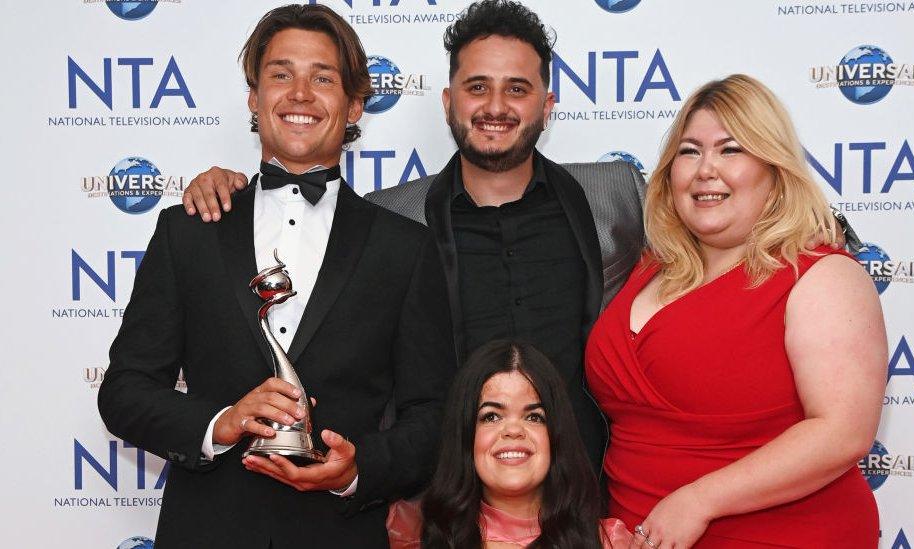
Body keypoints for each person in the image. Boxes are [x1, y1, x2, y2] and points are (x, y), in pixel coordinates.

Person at [179, 0, 647, 472]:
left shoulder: (615, 193)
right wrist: (232, 191)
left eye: (518, 89)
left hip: (588, 491)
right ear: (449, 103)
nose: (496, 107)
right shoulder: (391, 217)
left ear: (547, 107)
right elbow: (293, 216)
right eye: (477, 87)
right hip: (446, 500)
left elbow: (699, 276)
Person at [97, 5, 455, 548]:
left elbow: (433, 416)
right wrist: (221, 423)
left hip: (339, 534)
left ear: (355, 103)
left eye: (323, 78)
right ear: (254, 98)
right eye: (280, 75)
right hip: (206, 530)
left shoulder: (404, 248)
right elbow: (124, 391)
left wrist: (356, 471)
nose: (300, 94)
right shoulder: (189, 230)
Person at [585, 74, 886, 548]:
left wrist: (699, 500)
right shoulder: (648, 268)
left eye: (731, 150)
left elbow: (842, 431)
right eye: (689, 151)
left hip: (786, 535)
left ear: (774, 168)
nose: (706, 169)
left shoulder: (820, 275)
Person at [387, 340, 632, 548]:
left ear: (556, 436)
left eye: (534, 417)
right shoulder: (412, 535)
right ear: (466, 435)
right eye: (491, 416)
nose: (513, 430)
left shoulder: (610, 542)